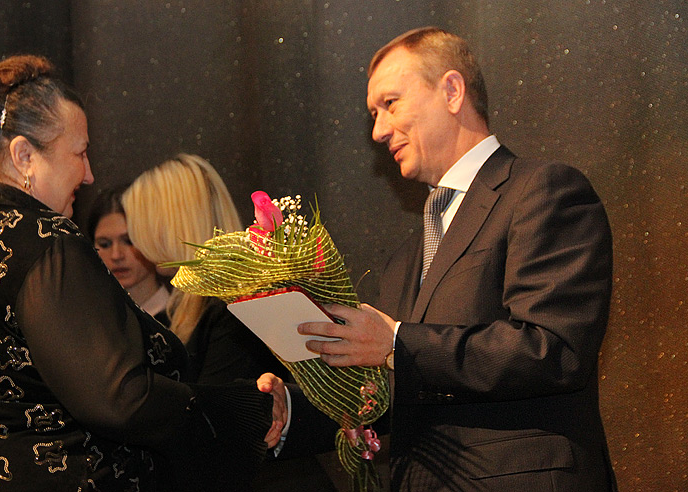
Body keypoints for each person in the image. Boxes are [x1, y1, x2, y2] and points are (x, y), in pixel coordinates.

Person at [0, 55, 278, 492]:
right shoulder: (41, 238)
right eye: (79, 152)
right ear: (24, 156)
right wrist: (247, 411)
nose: (90, 174)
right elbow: (121, 398)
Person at [262, 27, 617, 491]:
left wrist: (396, 343)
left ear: (451, 91)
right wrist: (292, 410)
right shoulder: (405, 260)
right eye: (374, 114)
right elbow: (394, 394)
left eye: (390, 103)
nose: (378, 131)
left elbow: (553, 349)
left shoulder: (544, 191)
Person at [121, 154, 290, 385]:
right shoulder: (193, 306)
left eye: (141, 226)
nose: (137, 242)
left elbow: (216, 400)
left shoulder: (231, 310)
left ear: (170, 226)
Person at [87, 186, 170, 324]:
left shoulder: (182, 320)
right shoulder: (90, 320)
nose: (116, 255)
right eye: (105, 244)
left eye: (129, 241)